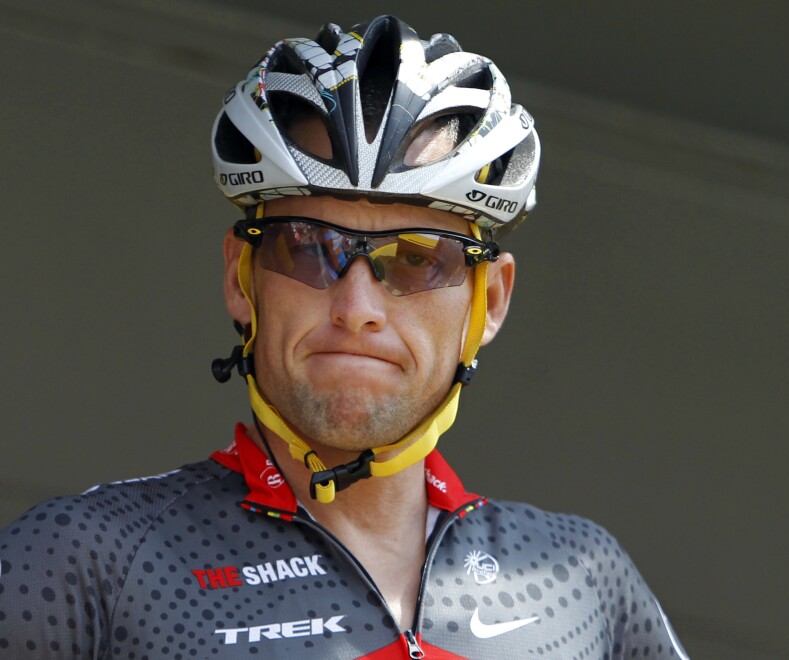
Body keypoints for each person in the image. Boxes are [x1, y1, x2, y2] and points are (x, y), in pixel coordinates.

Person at [0, 15, 688, 659]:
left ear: (492, 299)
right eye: (305, 247)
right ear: (242, 281)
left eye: (417, 258)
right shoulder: (83, 562)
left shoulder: (582, 581)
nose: (356, 306)